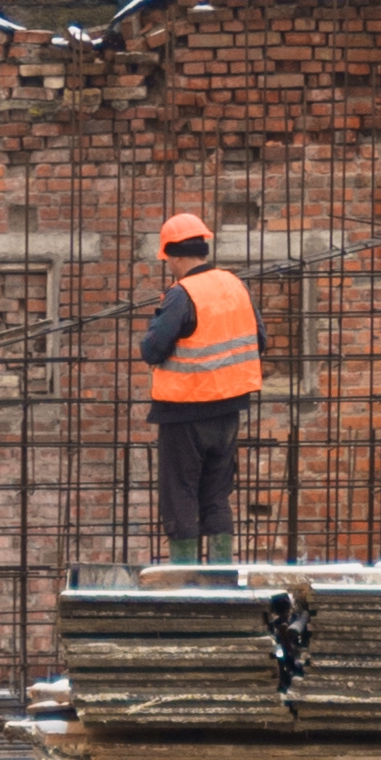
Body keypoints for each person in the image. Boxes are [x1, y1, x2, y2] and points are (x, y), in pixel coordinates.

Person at [141, 207, 264, 564]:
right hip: (228, 411)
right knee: (216, 495)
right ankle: (221, 580)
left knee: (180, 496)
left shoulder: (182, 293)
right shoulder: (234, 285)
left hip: (184, 413)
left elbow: (153, 350)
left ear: (172, 256)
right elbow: (260, 338)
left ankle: (186, 583)